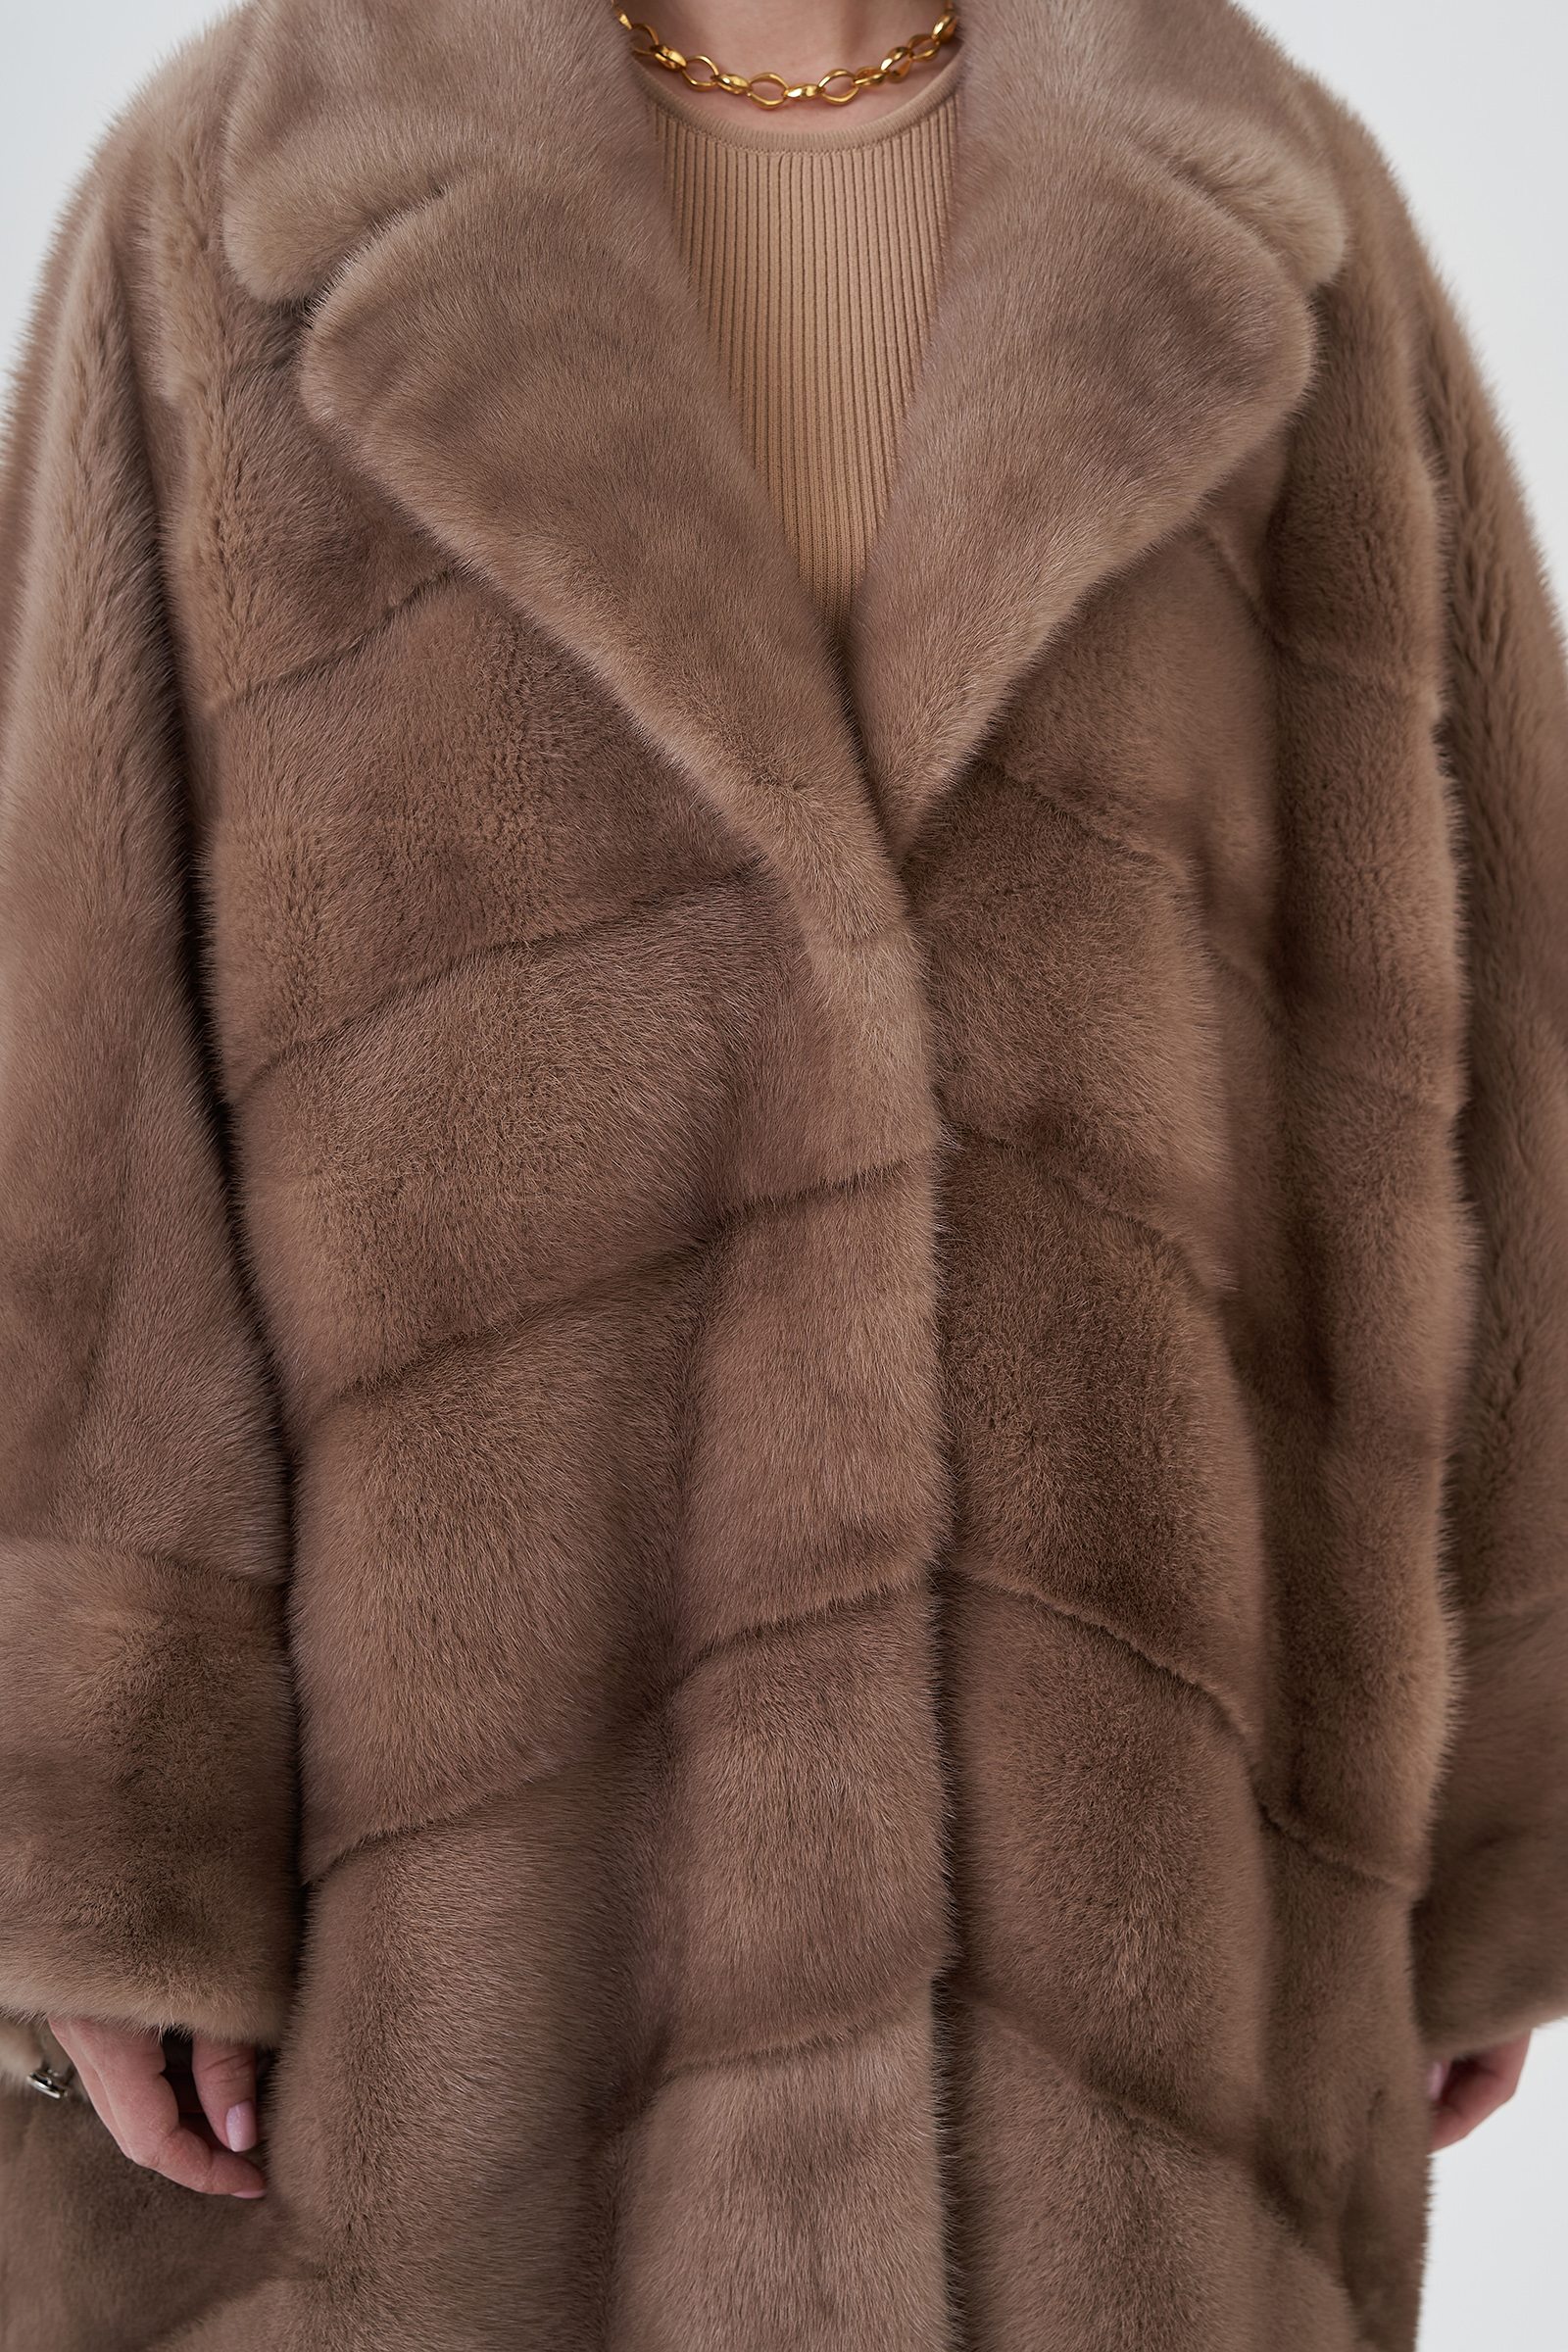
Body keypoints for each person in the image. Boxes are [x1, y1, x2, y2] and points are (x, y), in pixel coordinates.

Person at [0, 0, 1563, 2343]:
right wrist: (103, 1823)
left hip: (1130, 1896)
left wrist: (1498, 1803)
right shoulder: (241, 185)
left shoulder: (1266, 202)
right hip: (453, 1905)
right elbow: (67, 1037)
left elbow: (1498, 1021)